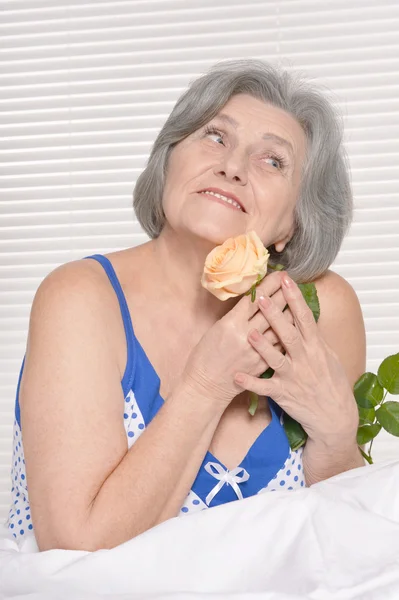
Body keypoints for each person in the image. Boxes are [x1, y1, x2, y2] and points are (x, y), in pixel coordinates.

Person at [5, 58, 366, 552]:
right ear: (169, 159)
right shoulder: (81, 298)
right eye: (216, 136)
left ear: (293, 225)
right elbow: (76, 552)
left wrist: (337, 439)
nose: (233, 166)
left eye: (273, 161)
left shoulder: (320, 312)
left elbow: (344, 552)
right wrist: (207, 384)